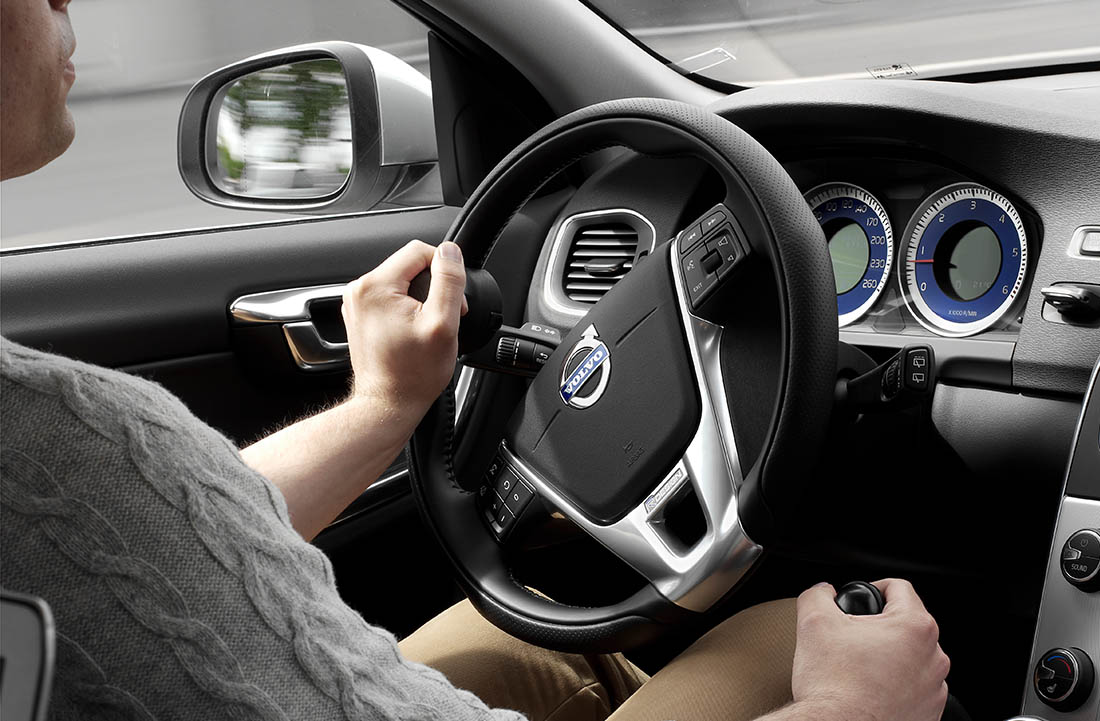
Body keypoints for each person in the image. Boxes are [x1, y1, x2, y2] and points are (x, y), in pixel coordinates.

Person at [0, 0, 952, 719]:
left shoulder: (57, 450)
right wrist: (843, 711)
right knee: (806, 633)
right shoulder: (51, 435)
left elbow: (145, 532)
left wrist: (383, 405)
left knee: (525, 633)